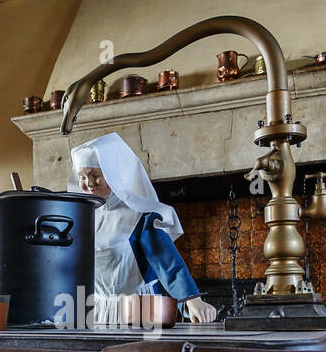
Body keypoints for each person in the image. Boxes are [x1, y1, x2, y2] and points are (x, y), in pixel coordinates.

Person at [68, 132, 218, 325]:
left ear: (112, 173)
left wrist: (192, 300)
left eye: (96, 175)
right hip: (97, 313)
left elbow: (168, 265)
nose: (88, 184)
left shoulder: (140, 216)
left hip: (140, 314)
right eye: (82, 177)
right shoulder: (82, 218)